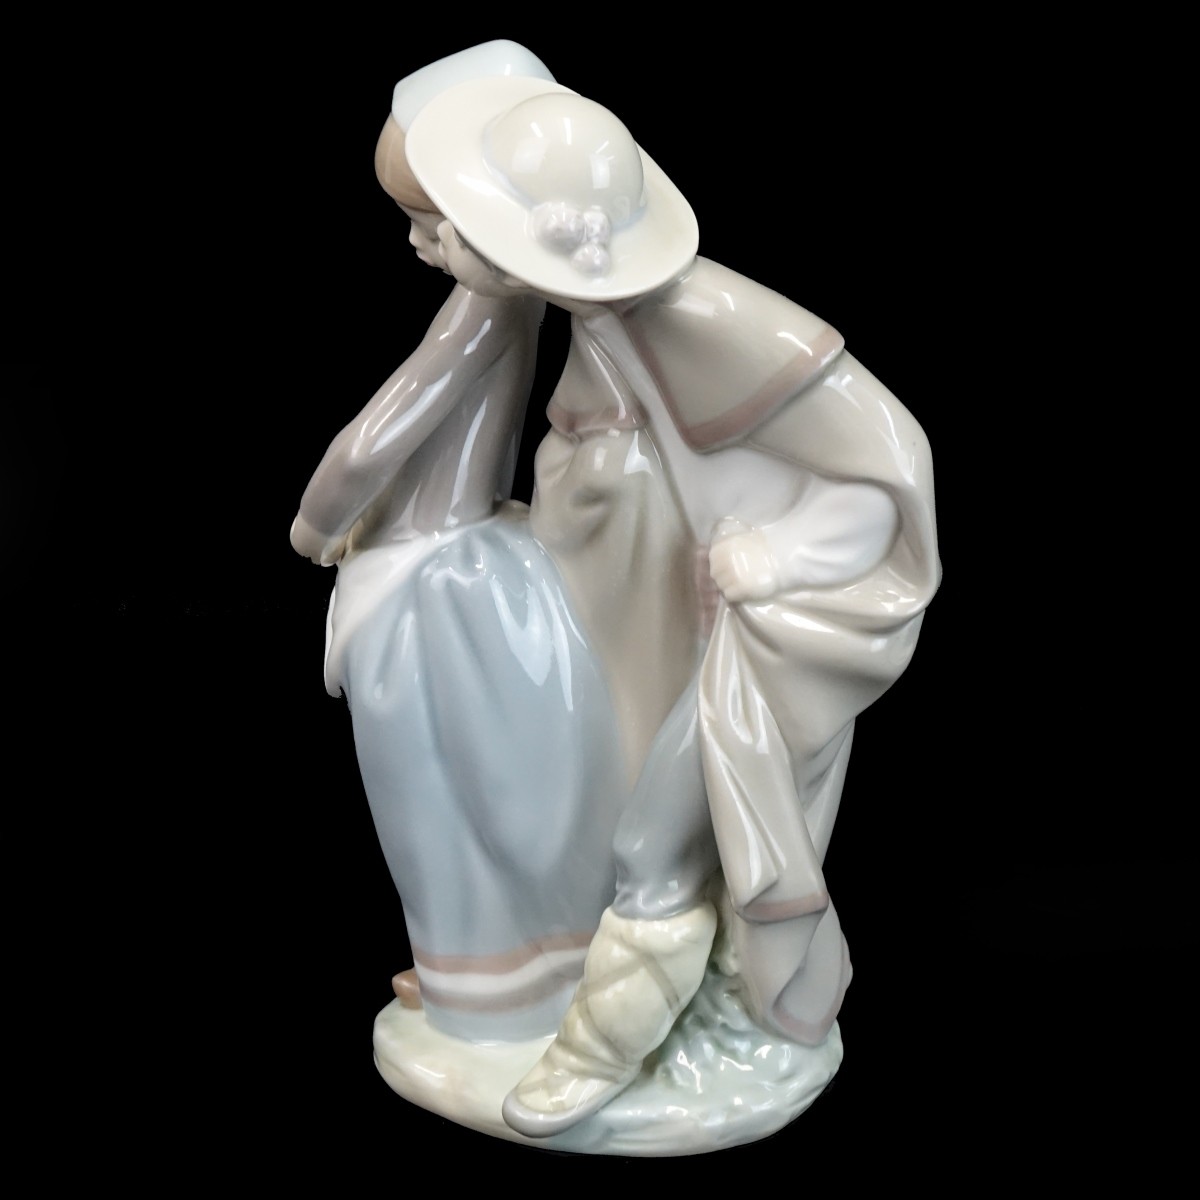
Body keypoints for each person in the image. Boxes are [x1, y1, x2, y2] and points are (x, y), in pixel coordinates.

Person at [402, 75, 940, 1130]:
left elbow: (889, 466)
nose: (437, 243)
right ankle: (558, 984)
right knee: (635, 800)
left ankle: (609, 1050)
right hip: (675, 608)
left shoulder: (710, 319)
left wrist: (776, 559)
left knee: (667, 838)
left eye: (460, 231)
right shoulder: (606, 317)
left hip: (770, 638)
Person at [290, 45, 626, 1043]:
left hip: (432, 563)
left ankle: (489, 985)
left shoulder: (485, 305)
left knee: (431, 790)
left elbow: (375, 438)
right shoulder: (509, 294)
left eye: (433, 221)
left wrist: (315, 523)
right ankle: (498, 971)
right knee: (477, 786)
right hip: (451, 550)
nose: (416, 240)